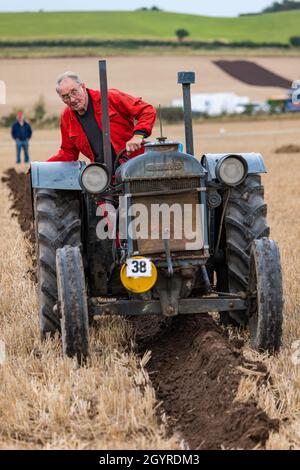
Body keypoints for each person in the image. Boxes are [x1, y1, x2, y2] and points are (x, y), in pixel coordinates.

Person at [48, 71, 156, 164]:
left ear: (83, 87)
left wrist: (138, 136)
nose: (72, 100)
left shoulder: (110, 98)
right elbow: (68, 152)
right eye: (65, 96)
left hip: (134, 165)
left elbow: (147, 110)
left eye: (74, 92)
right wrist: (41, 167)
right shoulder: (66, 117)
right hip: (103, 177)